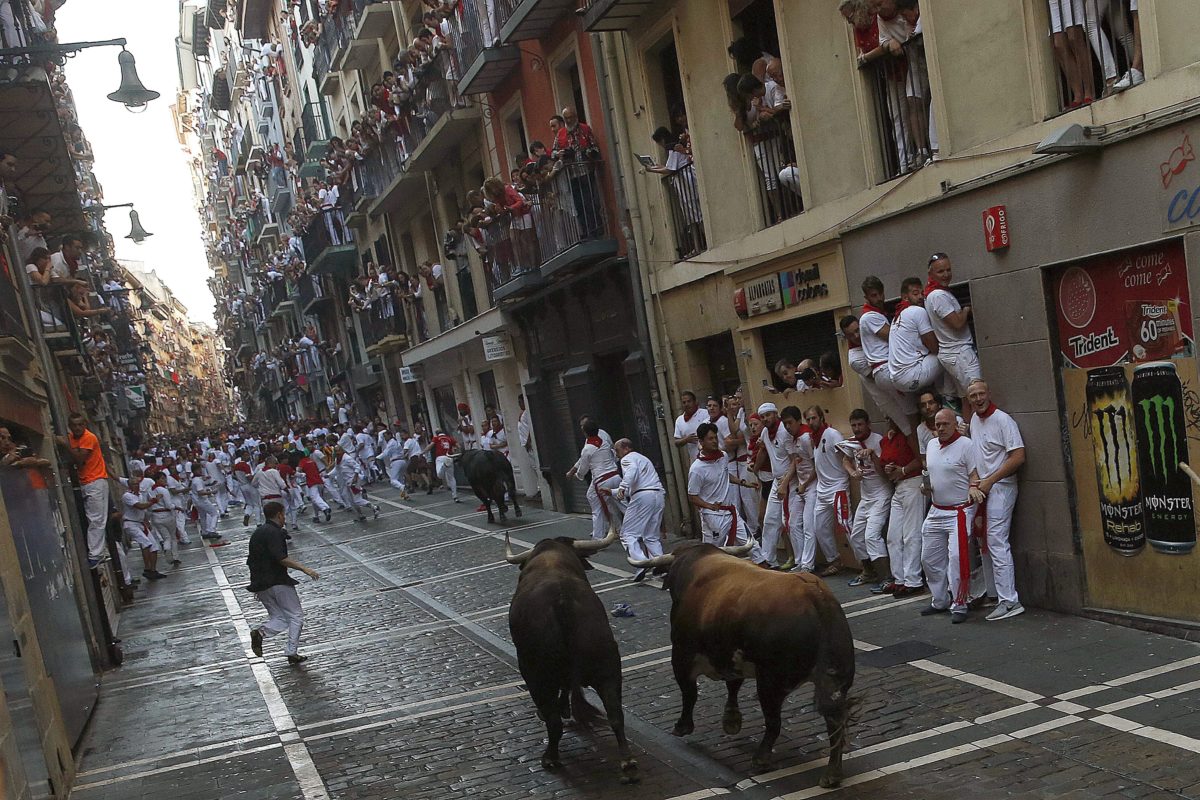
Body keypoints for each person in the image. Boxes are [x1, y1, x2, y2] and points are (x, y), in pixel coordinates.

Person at [966, 379, 1026, 621]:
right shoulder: (973, 420)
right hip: (984, 489)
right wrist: (977, 482)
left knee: (996, 541)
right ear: (969, 400)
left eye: (981, 394)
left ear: (989, 394)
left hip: (1002, 488)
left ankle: (1010, 601)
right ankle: (993, 594)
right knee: (985, 543)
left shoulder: (1003, 420)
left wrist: (990, 480)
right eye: (973, 396)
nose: (978, 399)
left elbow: (1018, 456)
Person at [920, 408, 986, 624]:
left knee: (957, 558)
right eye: (937, 425)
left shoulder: (966, 445)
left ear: (954, 424)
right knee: (928, 558)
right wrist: (925, 487)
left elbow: (974, 474)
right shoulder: (931, 445)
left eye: (944, 424)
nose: (940, 428)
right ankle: (939, 600)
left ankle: (960, 603)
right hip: (936, 509)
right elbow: (931, 474)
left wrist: (973, 487)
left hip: (959, 510)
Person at [247, 502, 320, 665]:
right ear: (279, 514)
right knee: (296, 616)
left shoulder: (257, 533)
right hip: (277, 581)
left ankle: (260, 633)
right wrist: (305, 569)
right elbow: (281, 558)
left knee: (280, 617)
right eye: (284, 514)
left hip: (261, 584)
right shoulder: (275, 532)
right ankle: (291, 652)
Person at [688, 422, 765, 559]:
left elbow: (724, 475)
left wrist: (744, 483)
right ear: (701, 442)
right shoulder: (696, 469)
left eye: (715, 437)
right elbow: (692, 496)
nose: (715, 441)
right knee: (712, 554)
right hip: (713, 516)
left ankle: (763, 567)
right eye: (710, 439)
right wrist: (709, 506)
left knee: (752, 544)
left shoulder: (723, 456)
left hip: (730, 511)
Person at [858, 277, 917, 435]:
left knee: (908, 419)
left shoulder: (875, 314)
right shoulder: (870, 317)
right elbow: (893, 336)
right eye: (873, 296)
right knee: (912, 418)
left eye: (879, 294)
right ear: (866, 298)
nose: (877, 299)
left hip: (886, 371)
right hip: (887, 370)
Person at [601, 439, 666, 581]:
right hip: (658, 494)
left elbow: (632, 474)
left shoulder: (627, 459)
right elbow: (635, 482)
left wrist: (622, 487)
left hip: (642, 497)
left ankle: (641, 562)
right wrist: (612, 491)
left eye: (617, 451)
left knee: (627, 534)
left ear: (625, 448)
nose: (617, 455)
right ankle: (663, 567)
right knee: (651, 536)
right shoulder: (643, 459)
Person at [842, 409, 892, 588]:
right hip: (866, 496)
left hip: (881, 495)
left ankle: (886, 577)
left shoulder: (878, 440)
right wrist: (853, 472)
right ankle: (868, 572)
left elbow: (885, 473)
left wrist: (872, 455)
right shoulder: (851, 442)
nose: (857, 428)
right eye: (853, 425)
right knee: (856, 536)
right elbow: (845, 460)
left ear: (868, 424)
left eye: (860, 424)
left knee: (872, 536)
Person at [924, 254, 980, 415]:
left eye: (948, 270)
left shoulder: (933, 294)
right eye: (941, 271)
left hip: (952, 354)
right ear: (931, 274)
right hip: (960, 354)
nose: (946, 274)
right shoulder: (938, 295)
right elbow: (957, 323)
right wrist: (966, 310)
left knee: (966, 399)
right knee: (977, 396)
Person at [880, 416, 926, 597]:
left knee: (911, 533)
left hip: (913, 481)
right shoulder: (889, 438)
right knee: (893, 536)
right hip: (899, 486)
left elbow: (921, 459)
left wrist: (904, 470)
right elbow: (885, 463)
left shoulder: (910, 435)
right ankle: (899, 578)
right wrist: (889, 469)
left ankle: (913, 580)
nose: (890, 420)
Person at [57, 413, 110, 567]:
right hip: (87, 482)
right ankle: (100, 551)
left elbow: (80, 460)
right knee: (94, 518)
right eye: (74, 425)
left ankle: (95, 554)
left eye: (80, 424)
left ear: (85, 425)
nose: (78, 428)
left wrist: (65, 444)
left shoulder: (89, 437)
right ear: (70, 426)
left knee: (96, 519)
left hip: (96, 481)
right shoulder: (72, 438)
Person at [803, 406, 848, 576]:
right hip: (822, 489)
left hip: (837, 487)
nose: (811, 422)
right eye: (808, 419)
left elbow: (845, 455)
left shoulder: (832, 434)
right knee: (819, 527)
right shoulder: (812, 439)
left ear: (821, 417)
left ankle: (867, 564)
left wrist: (849, 473)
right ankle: (834, 561)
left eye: (814, 418)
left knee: (847, 525)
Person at [567, 416, 624, 541]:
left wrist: (578, 475)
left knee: (597, 505)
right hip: (615, 475)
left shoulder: (587, 449)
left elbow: (583, 467)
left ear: (585, 432)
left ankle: (598, 537)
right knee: (620, 505)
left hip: (601, 480)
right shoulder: (604, 441)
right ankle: (622, 530)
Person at [888, 276, 943, 394]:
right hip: (910, 375)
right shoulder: (917, 311)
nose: (920, 297)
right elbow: (934, 347)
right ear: (905, 297)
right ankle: (949, 398)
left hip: (896, 378)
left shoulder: (897, 316)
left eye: (922, 293)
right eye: (915, 293)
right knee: (948, 353)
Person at [122, 467, 165, 580]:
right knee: (146, 543)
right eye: (135, 484)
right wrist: (154, 501)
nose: (137, 486)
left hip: (140, 523)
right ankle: (147, 568)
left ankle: (153, 570)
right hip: (131, 524)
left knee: (154, 546)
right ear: (130, 486)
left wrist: (146, 521)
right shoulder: (127, 496)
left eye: (138, 484)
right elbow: (140, 506)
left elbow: (142, 511)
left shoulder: (140, 495)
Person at [148, 472, 182, 568]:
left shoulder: (150, 490)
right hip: (167, 515)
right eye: (162, 478)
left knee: (166, 537)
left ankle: (167, 548)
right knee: (173, 537)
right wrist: (176, 507)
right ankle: (175, 557)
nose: (165, 480)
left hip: (155, 516)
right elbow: (168, 505)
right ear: (157, 479)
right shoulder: (163, 490)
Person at [298, 451, 333, 523]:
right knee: (316, 500)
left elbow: (299, 470)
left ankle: (325, 508)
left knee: (315, 498)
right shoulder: (312, 461)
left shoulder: (302, 462)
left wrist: (301, 474)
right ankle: (316, 516)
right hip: (319, 481)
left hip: (312, 482)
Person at [425, 428, 459, 501]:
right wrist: (455, 449)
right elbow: (458, 445)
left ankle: (444, 466)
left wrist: (423, 452)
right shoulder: (449, 438)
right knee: (452, 478)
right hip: (449, 457)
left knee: (439, 475)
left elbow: (431, 445)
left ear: (436, 433)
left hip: (440, 458)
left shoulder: (436, 438)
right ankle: (455, 496)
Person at [672, 391, 704, 464]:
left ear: (695, 402)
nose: (686, 404)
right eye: (684, 402)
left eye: (689, 401)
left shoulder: (705, 414)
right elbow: (676, 442)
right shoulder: (679, 420)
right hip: (695, 462)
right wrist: (686, 439)